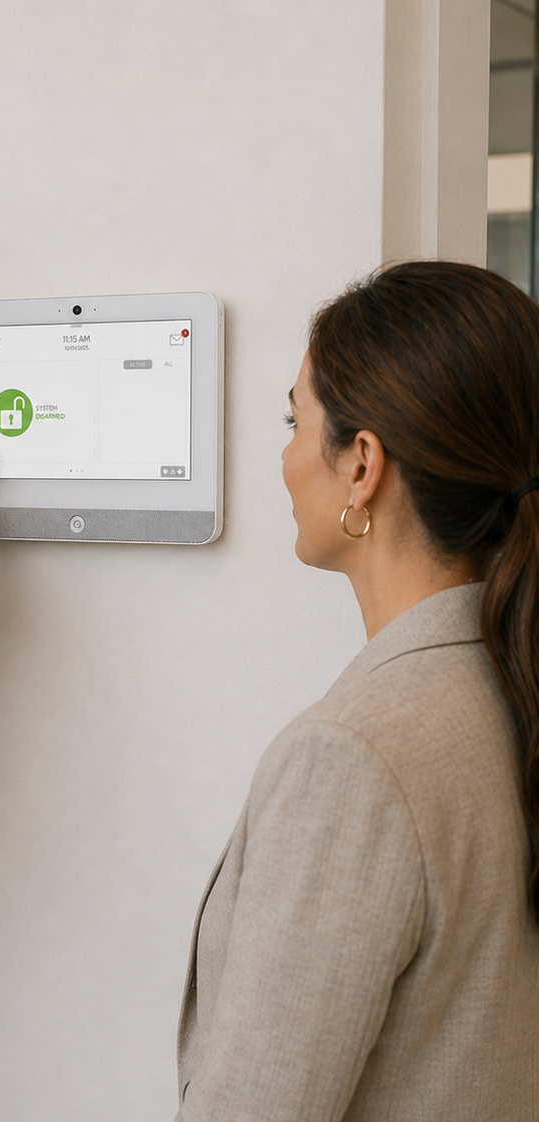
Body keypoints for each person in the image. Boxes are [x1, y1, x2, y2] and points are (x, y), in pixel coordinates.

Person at [176, 261, 539, 1120]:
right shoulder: (507, 684)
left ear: (363, 464)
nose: (286, 455)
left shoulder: (353, 760)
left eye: (294, 420)